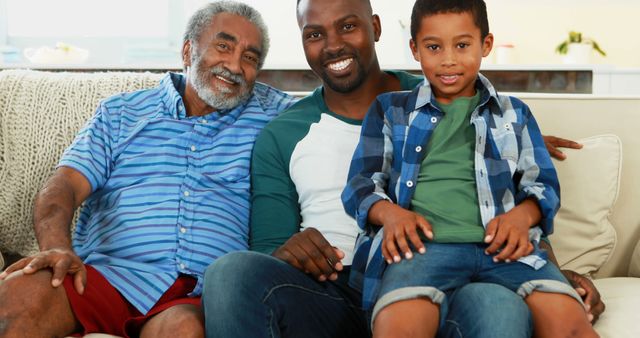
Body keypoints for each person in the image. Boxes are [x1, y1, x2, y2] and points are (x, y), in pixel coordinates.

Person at [202, 0, 602, 337]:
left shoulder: (453, 93)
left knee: (498, 304)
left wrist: (550, 270)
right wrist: (290, 250)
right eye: (315, 34)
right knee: (230, 272)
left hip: (458, 274)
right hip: (341, 285)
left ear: (374, 28)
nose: (333, 44)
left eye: (348, 26)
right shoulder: (285, 131)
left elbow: (510, 176)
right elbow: (269, 247)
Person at [0, 2, 296, 337]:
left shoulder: (275, 114)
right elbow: (63, 186)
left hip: (197, 292)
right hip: (108, 277)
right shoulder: (121, 113)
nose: (234, 65)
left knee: (184, 330)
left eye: (250, 57)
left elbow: (339, 105)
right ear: (188, 51)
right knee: (18, 294)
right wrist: (57, 246)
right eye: (223, 46)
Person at [341, 0, 599, 337]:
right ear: (415, 49)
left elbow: (543, 184)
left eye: (462, 45)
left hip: (506, 249)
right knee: (398, 325)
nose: (448, 59)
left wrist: (522, 217)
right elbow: (361, 183)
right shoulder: (391, 111)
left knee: (570, 323)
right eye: (434, 47)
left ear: (485, 45)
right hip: (421, 251)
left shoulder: (514, 114)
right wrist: (390, 214)